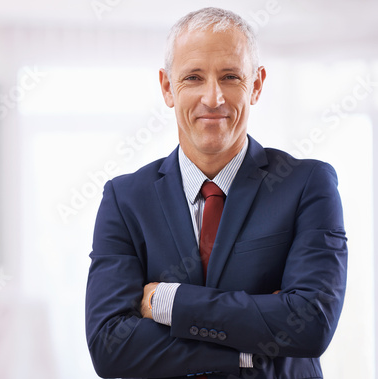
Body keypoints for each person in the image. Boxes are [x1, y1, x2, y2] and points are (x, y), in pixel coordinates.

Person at [85, 7, 347, 379]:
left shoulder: (306, 185)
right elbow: (110, 347)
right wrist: (247, 349)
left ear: (255, 85)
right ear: (167, 87)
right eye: (193, 77)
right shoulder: (125, 199)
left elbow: (311, 324)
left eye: (230, 77)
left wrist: (167, 301)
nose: (213, 98)